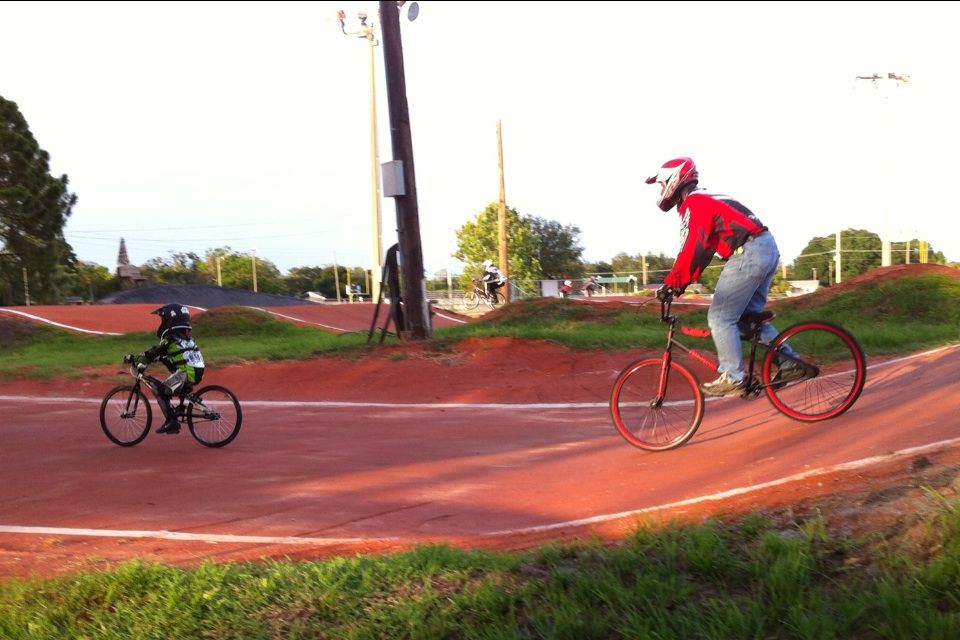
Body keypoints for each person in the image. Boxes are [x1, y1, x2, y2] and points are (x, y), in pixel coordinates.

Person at [645, 157, 800, 397]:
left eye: (662, 184)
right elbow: (703, 251)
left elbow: (692, 248)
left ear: (675, 179)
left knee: (719, 317)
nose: (662, 190)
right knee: (747, 318)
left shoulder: (694, 204)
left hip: (748, 253)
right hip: (764, 248)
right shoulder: (705, 198)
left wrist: (671, 284)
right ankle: (790, 363)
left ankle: (733, 375)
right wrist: (680, 284)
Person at [129, 303, 205, 434]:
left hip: (186, 374)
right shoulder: (188, 339)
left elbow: (151, 353)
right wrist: (161, 358)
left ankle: (171, 422)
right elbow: (168, 357)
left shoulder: (170, 339)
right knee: (172, 379)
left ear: (169, 321)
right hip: (197, 371)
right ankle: (180, 406)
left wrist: (133, 358)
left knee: (160, 390)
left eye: (163, 320)